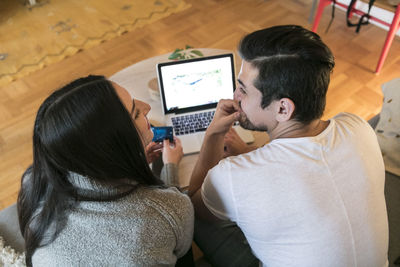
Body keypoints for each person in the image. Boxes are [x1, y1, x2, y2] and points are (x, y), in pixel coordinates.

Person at [188, 25, 389, 267]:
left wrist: (213, 133)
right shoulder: (358, 127)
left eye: (243, 90)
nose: (234, 96)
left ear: (283, 108)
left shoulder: (233, 176)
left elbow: (194, 206)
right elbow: (304, 165)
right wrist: (248, 154)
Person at [17, 75, 194, 266]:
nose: (146, 107)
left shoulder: (33, 182)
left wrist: (133, 159)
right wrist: (170, 168)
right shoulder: (166, 209)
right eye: (135, 113)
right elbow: (182, 246)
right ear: (111, 148)